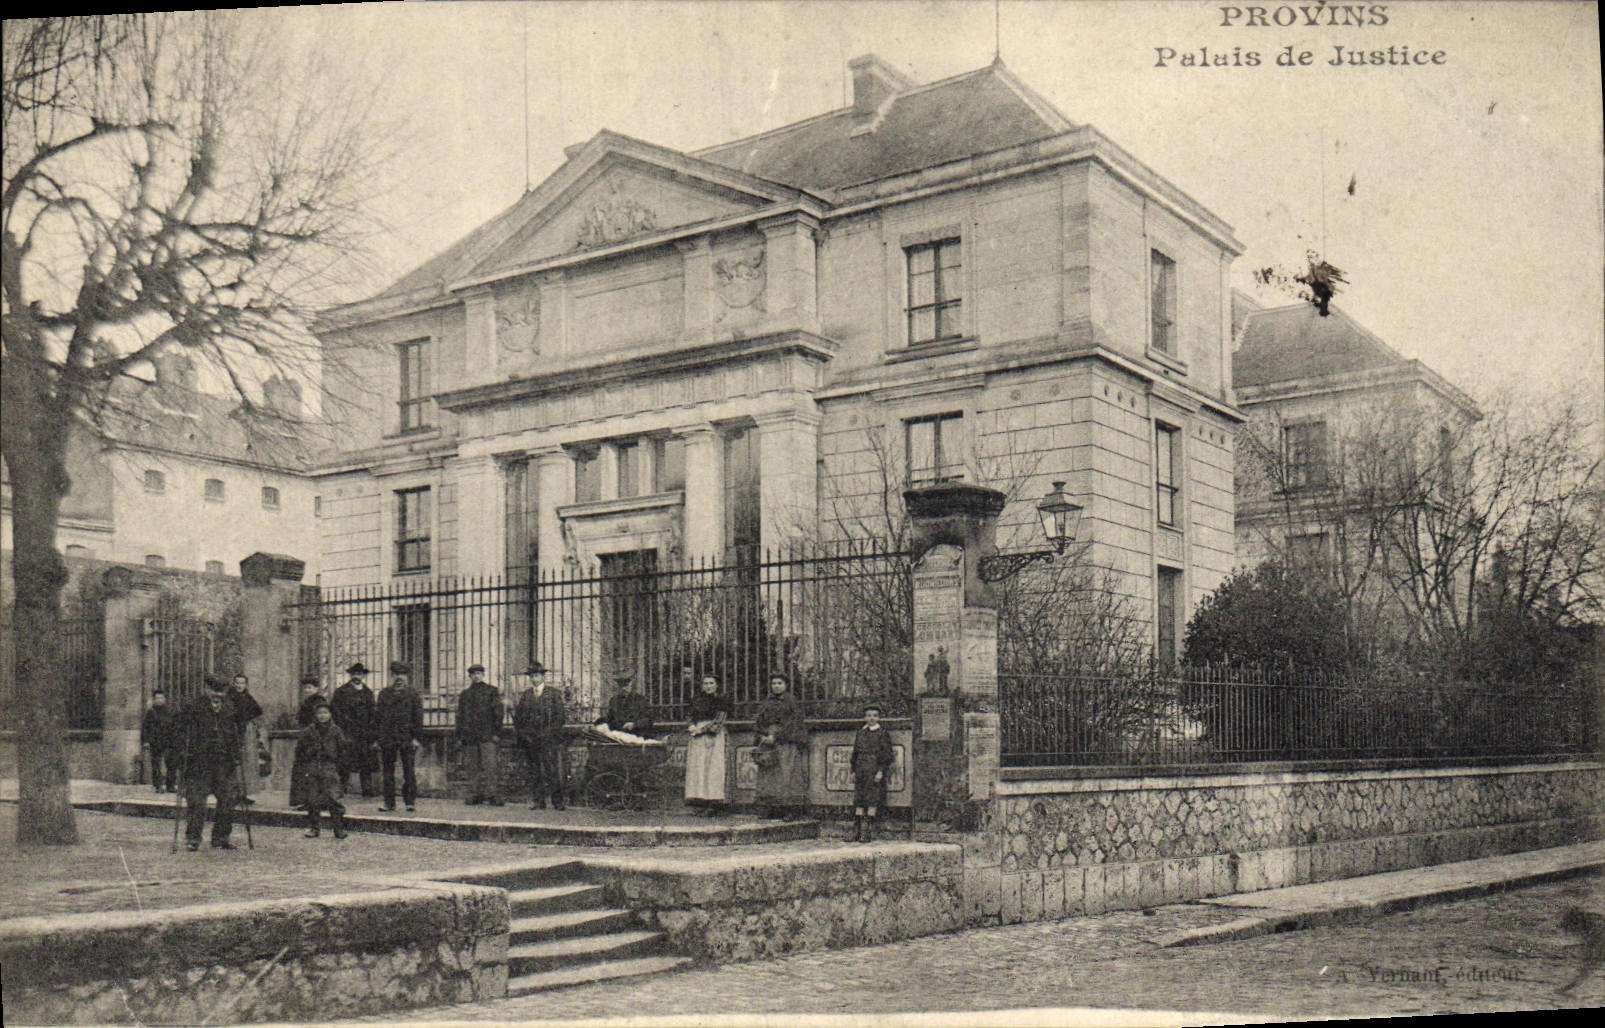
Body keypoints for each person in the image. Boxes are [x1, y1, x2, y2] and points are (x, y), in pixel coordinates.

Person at [177, 675, 250, 850]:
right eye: (214, 691)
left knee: (227, 799)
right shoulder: (193, 708)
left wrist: (236, 753)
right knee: (197, 802)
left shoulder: (230, 708)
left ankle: (221, 837)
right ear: (206, 689)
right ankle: (193, 839)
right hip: (199, 763)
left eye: (221, 692)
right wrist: (183, 755)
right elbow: (179, 733)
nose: (217, 695)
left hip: (224, 763)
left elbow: (236, 733)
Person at [752, 673, 808, 819]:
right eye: (774, 683)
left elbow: (795, 722)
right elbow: (759, 720)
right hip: (768, 742)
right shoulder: (767, 702)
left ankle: (790, 810)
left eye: (779, 683)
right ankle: (770, 808)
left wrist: (776, 736)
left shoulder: (791, 702)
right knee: (768, 776)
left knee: (786, 775)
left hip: (785, 742)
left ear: (786, 685)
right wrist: (762, 735)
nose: (776, 686)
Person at [512, 662, 567, 810]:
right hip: (531, 739)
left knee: (552, 770)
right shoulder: (527, 695)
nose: (534, 679)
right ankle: (539, 800)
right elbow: (519, 718)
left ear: (543, 677)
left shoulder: (553, 694)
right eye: (532, 676)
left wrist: (550, 733)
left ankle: (558, 801)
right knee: (534, 770)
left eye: (537, 675)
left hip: (548, 738)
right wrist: (524, 734)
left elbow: (560, 717)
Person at [295, 698, 349, 839]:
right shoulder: (308, 731)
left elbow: (343, 751)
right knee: (312, 799)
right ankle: (314, 828)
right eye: (319, 713)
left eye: (325, 712)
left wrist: (340, 768)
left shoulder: (336, 731)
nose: (322, 715)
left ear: (330, 714)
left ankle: (338, 828)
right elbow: (299, 751)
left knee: (333, 799)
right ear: (315, 715)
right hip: (312, 767)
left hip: (330, 768)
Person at [375, 661, 424, 812]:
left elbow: (418, 718)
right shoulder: (384, 694)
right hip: (388, 738)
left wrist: (416, 738)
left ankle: (410, 802)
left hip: (407, 738)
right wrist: (378, 739)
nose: (399, 678)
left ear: (407, 677)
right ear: (391, 676)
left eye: (402, 675)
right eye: (395, 675)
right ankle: (389, 803)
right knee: (388, 772)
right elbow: (378, 718)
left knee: (409, 771)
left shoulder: (413, 694)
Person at [456, 663, 504, 806]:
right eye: (473, 674)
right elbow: (460, 716)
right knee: (472, 768)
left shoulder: (491, 691)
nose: (476, 676)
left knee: (490, 766)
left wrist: (496, 733)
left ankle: (492, 794)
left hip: (487, 735)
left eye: (479, 673)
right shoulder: (465, 694)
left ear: (483, 675)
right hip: (470, 737)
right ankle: (475, 794)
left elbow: (498, 713)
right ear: (470, 676)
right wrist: (460, 736)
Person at [330, 662, 379, 797]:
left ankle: (367, 790)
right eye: (354, 674)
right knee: (344, 762)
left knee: (366, 763)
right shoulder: (341, 692)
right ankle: (341, 789)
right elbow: (336, 713)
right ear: (350, 675)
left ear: (363, 675)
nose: (357, 676)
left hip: (365, 734)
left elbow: (373, 714)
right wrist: (343, 730)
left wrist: (372, 733)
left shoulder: (368, 692)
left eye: (359, 674)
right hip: (348, 732)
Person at [683, 674, 730, 815]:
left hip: (713, 737)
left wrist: (702, 730)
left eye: (711, 683)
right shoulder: (696, 700)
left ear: (717, 685)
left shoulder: (721, 700)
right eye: (705, 683)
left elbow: (719, 721)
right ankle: (700, 802)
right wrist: (691, 726)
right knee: (699, 769)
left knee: (713, 768)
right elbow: (689, 715)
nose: (708, 686)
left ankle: (714, 803)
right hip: (697, 738)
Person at [850, 702, 895, 843]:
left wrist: (881, 771)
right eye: (869, 715)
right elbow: (855, 753)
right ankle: (856, 829)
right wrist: (853, 770)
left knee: (872, 798)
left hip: (874, 768)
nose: (871, 718)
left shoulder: (882, 733)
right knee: (859, 798)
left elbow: (887, 755)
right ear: (864, 717)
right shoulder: (860, 733)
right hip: (861, 768)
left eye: (875, 716)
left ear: (879, 718)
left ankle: (867, 830)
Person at [228, 673, 264, 806]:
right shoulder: (230, 697)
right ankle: (233, 794)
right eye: (237, 683)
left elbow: (258, 710)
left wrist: (247, 719)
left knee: (245, 763)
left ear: (246, 685)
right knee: (234, 763)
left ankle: (243, 793)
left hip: (245, 733)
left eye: (242, 683)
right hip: (233, 732)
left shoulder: (247, 697)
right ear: (234, 683)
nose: (239, 685)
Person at [289, 676, 325, 810]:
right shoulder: (307, 702)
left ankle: (314, 802)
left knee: (313, 771)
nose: (307, 690)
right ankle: (308, 801)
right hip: (305, 739)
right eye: (305, 688)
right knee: (304, 770)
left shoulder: (318, 702)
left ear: (316, 688)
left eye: (310, 687)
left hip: (315, 739)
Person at [594, 672, 656, 742]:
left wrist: (634, 725)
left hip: (637, 737)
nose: (623, 688)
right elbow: (610, 719)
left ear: (631, 685)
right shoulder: (614, 701)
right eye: (621, 686)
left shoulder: (640, 700)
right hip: (619, 738)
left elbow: (648, 720)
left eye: (626, 685)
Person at [141, 689, 178, 793]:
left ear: (165, 699)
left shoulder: (169, 711)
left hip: (168, 741)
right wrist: (146, 741)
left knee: (171, 763)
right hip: (156, 741)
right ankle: (158, 786)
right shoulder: (151, 712)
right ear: (153, 700)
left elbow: (174, 726)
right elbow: (145, 727)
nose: (159, 700)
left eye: (161, 698)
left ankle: (170, 785)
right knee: (156, 764)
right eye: (157, 698)